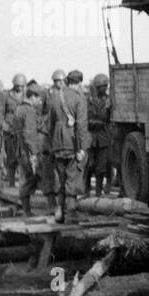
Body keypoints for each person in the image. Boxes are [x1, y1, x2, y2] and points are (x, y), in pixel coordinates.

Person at [45, 70, 88, 224]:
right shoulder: (79, 99)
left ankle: (59, 211)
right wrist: (81, 149)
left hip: (57, 145)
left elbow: (48, 126)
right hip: (73, 144)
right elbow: (81, 126)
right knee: (73, 178)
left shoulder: (55, 98)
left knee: (60, 179)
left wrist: (53, 144)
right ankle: (71, 214)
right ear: (79, 83)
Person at [15, 83, 45, 214]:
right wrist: (34, 154)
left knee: (29, 178)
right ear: (32, 96)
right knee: (36, 177)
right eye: (38, 98)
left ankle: (27, 210)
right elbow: (29, 134)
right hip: (29, 151)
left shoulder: (19, 109)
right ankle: (28, 210)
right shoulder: (29, 111)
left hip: (21, 150)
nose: (40, 101)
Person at [38, 70, 65, 211]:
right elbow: (39, 113)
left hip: (60, 135)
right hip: (48, 135)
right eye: (57, 81)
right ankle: (50, 202)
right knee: (48, 169)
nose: (60, 84)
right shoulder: (46, 94)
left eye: (61, 81)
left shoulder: (66, 94)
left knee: (61, 170)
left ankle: (62, 203)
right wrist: (44, 127)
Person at [84, 74, 111, 196]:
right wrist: (99, 122)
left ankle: (98, 192)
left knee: (101, 167)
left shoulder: (109, 101)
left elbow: (110, 119)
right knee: (89, 165)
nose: (104, 88)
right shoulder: (89, 101)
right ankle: (86, 189)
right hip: (91, 137)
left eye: (106, 86)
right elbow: (87, 119)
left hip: (104, 137)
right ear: (96, 87)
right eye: (102, 86)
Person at [2, 73, 27, 186]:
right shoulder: (6, 95)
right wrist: (5, 127)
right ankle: (11, 182)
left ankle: (24, 183)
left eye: (22, 86)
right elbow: (0, 114)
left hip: (23, 130)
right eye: (18, 85)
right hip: (10, 130)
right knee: (11, 157)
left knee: (23, 157)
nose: (20, 88)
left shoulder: (27, 95)